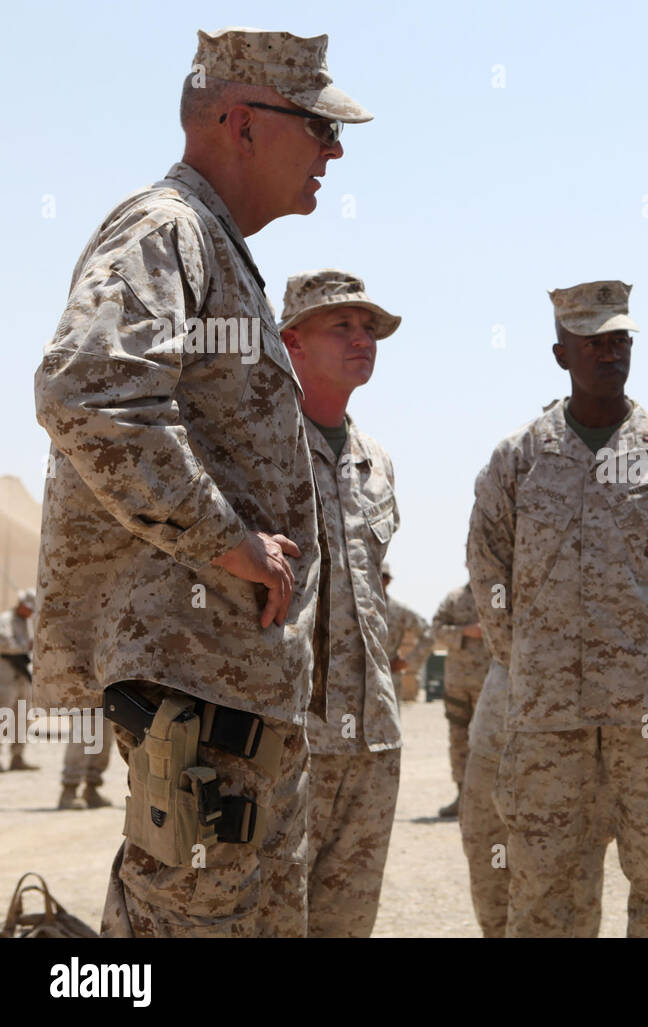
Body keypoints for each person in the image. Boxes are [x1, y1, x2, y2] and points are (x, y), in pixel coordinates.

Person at [32, 27, 372, 937]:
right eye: (317, 126)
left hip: (234, 693)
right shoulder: (168, 229)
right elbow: (87, 389)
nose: (334, 151)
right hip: (196, 689)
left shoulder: (222, 251)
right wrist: (227, 538)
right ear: (240, 122)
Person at [467, 280, 648, 937]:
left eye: (620, 341)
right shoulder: (517, 459)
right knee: (545, 894)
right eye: (593, 343)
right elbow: (488, 570)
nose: (610, 353)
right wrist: (527, 659)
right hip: (549, 722)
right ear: (562, 354)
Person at [279, 269, 402, 937]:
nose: (364, 339)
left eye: (370, 328)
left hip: (372, 739)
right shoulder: (257, 448)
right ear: (291, 341)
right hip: (286, 739)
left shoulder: (375, 460)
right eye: (342, 326)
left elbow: (374, 586)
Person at [459, 660, 612, 936]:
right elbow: (500, 637)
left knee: (574, 877)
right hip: (495, 738)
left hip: (575, 746)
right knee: (491, 864)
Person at [431, 580, 491, 817]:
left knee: (488, 739)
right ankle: (463, 796)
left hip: (489, 684)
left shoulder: (498, 592)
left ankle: (487, 799)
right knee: (458, 740)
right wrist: (464, 632)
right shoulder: (454, 598)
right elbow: (435, 629)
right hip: (457, 684)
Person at [381, 565, 434, 700]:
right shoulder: (353, 608)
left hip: (388, 678)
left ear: (388, 580)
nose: (377, 580)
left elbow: (428, 635)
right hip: (356, 678)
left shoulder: (398, 611)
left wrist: (407, 662)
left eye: (382, 576)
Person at [0, 590, 37, 772]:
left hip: (23, 675)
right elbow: (4, 643)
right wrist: (24, 646)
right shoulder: (5, 620)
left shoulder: (29, 623)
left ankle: (18, 756)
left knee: (22, 716)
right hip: (5, 675)